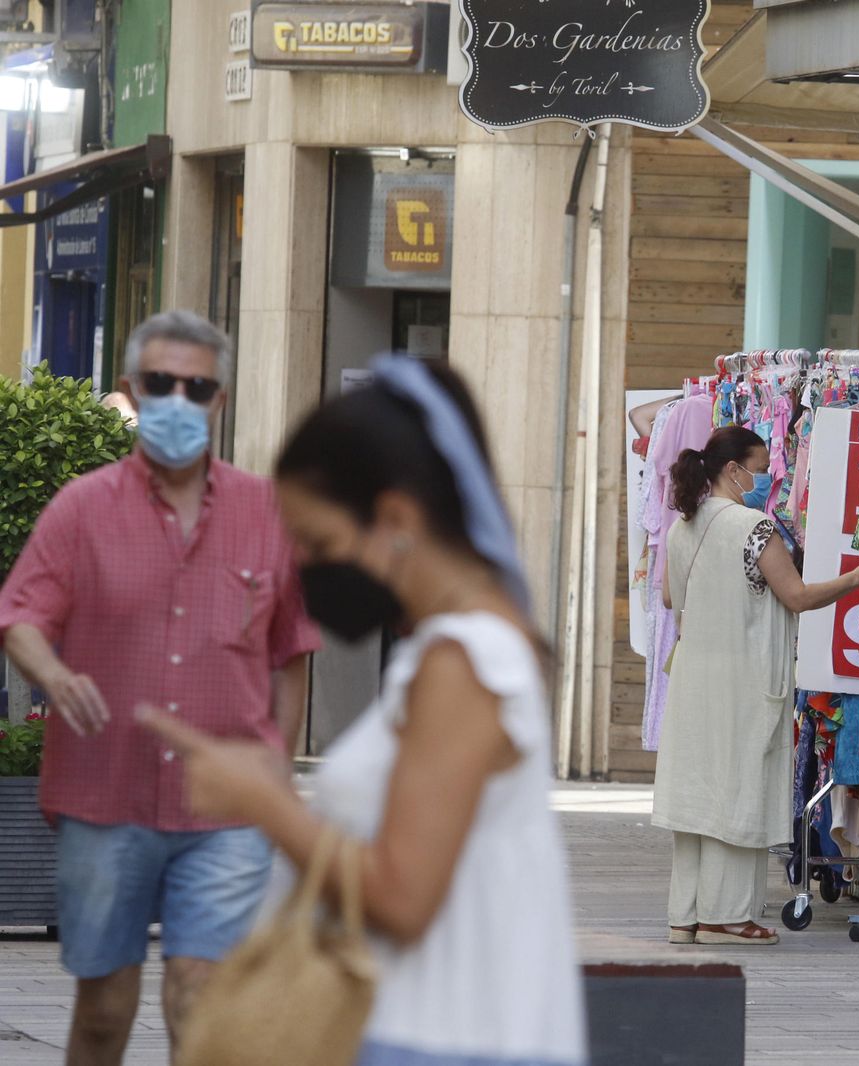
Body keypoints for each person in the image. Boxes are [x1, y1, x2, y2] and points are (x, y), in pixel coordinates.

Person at [139, 355, 586, 1066]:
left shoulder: (465, 660)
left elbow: (402, 899)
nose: (306, 569)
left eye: (319, 544)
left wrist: (264, 800)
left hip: (443, 1041)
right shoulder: (463, 647)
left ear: (396, 518)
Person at [0, 310, 321, 1066]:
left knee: (200, 999)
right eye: (161, 383)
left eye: (197, 387)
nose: (179, 400)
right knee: (105, 1011)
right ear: (131, 390)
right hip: (104, 799)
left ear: (220, 400)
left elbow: (291, 654)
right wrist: (53, 674)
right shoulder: (82, 508)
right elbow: (19, 615)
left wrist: (273, 772)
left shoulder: (266, 513)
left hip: (225, 811)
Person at [652, 426, 859, 946]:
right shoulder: (754, 528)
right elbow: (797, 596)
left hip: (693, 680)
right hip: (744, 679)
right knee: (739, 792)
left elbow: (670, 597)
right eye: (761, 469)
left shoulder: (682, 526)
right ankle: (725, 917)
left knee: (697, 797)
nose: (767, 478)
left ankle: (685, 915)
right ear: (733, 470)